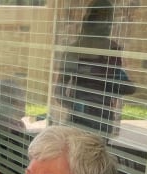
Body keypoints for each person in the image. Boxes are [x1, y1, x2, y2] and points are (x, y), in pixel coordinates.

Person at [55, 0, 135, 137]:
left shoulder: (113, 49)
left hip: (103, 120)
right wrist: (80, 107)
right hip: (78, 121)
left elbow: (124, 86)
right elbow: (59, 92)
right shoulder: (73, 51)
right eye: (102, 18)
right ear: (89, 20)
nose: (107, 24)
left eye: (110, 19)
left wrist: (123, 84)